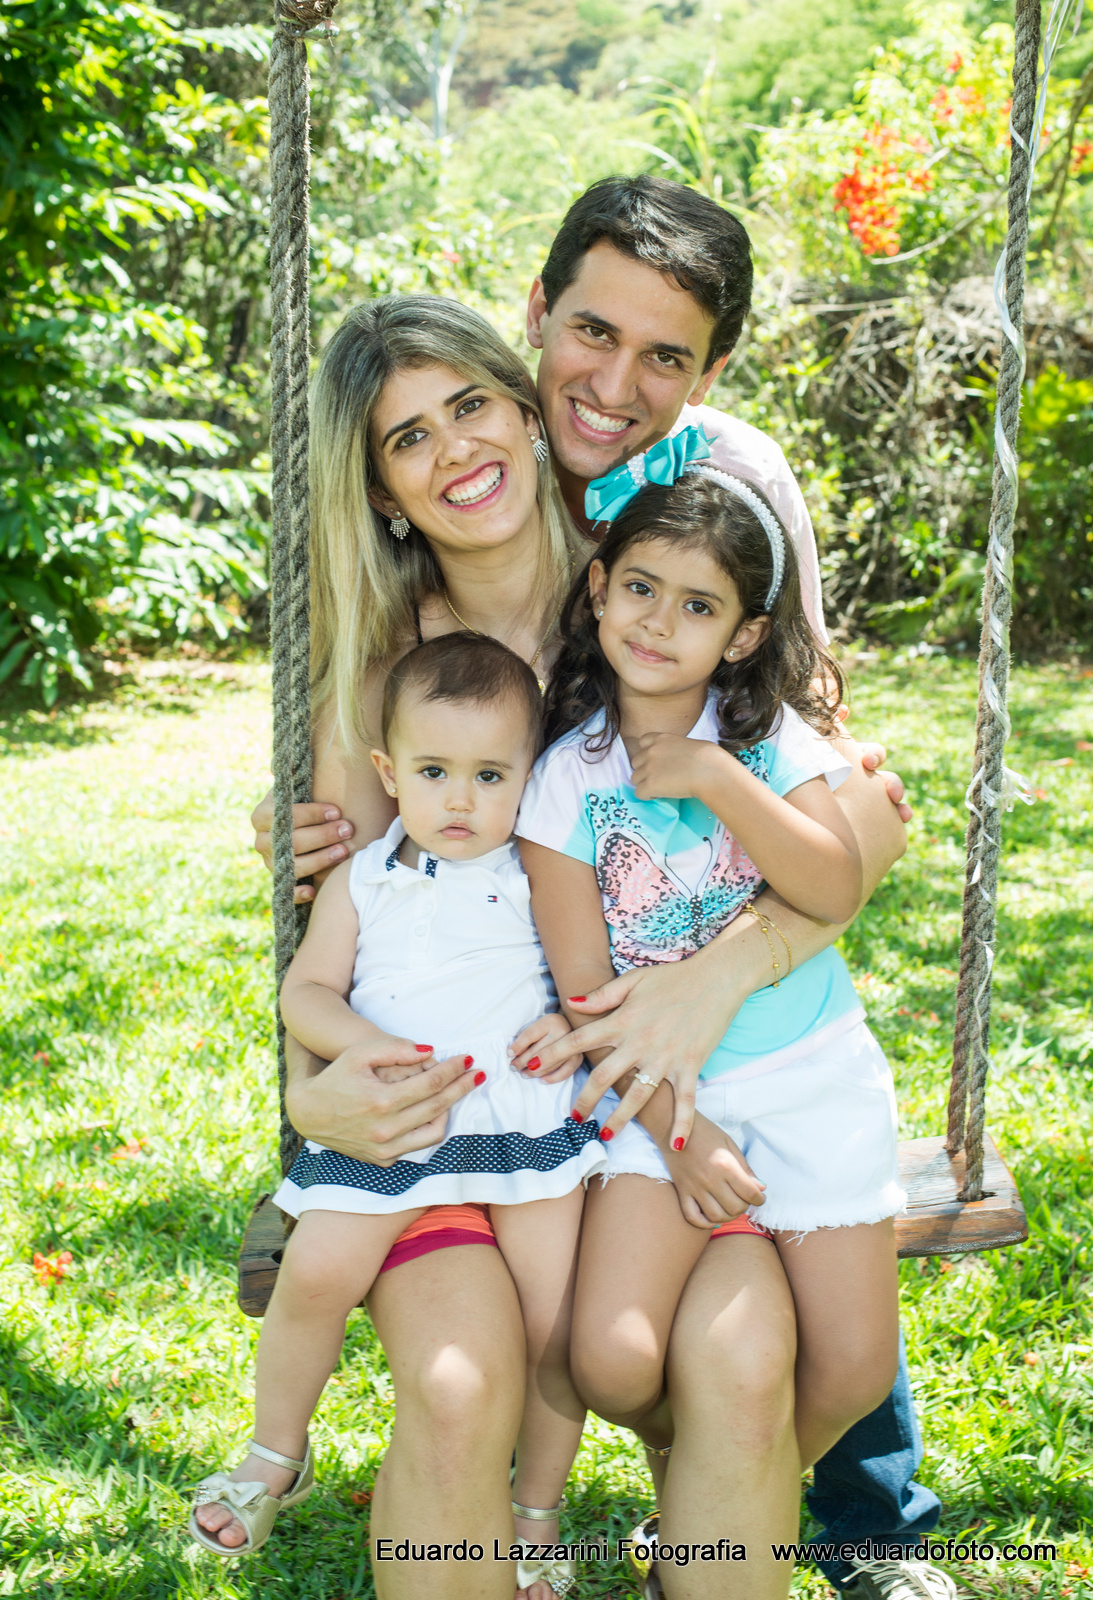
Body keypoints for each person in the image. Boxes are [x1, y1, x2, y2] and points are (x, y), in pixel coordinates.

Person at [249, 181, 937, 1600]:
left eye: (469, 411)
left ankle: (785, 1526)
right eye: (409, 439)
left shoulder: (654, 585)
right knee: (461, 1383)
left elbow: (858, 819)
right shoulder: (387, 669)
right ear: (378, 486)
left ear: (517, 407)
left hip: (663, 1104)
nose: (455, 451)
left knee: (743, 1359)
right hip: (480, 1117)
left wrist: (714, 977)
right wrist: (315, 1096)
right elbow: (350, 921)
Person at [516, 434, 905, 1599]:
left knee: (850, 1370)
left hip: (809, 1077)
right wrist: (681, 1138)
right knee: (611, 1357)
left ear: (740, 635)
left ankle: (709, 1515)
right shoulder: (566, 778)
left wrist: (719, 778)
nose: (658, 621)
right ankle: (710, 1500)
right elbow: (587, 996)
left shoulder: (769, 741)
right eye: (639, 587)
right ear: (598, 588)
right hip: (663, 1101)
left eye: (698, 606)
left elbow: (832, 887)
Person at [193, 636, 599, 1599]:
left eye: (489, 775)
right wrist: (364, 1045)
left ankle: (535, 1515)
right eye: (432, 772)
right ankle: (274, 1452)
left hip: (523, 1128)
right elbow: (307, 993)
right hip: (396, 1126)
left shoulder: (541, 874)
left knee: (555, 1331)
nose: (460, 800)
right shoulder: (363, 879)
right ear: (388, 772)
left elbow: (589, 978)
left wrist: (566, 1026)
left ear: (529, 777)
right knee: (315, 1272)